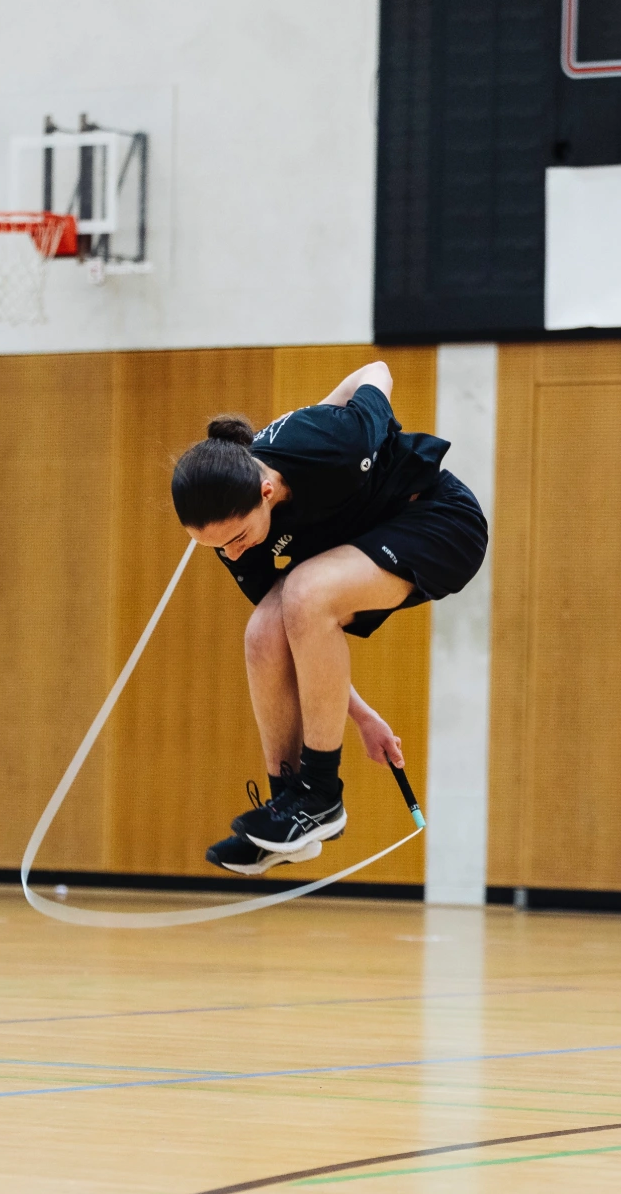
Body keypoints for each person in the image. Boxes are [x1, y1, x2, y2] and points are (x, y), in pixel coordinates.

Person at [171, 361, 487, 877]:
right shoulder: (237, 534)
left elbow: (378, 368)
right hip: (369, 540)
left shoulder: (329, 443)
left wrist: (327, 405)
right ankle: (290, 810)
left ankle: (320, 798)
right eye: (213, 548)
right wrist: (359, 714)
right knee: (263, 634)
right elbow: (303, 636)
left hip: (440, 521)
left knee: (304, 592)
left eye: (232, 539)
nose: (228, 555)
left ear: (266, 491)